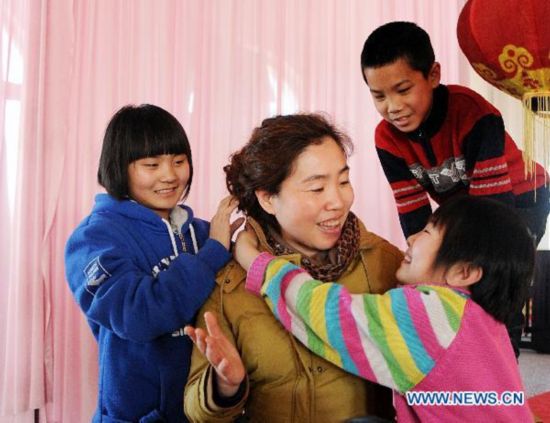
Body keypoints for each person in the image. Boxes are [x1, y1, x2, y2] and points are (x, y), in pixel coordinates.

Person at [233, 195, 535, 422]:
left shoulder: (431, 314)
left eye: (428, 233)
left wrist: (253, 259)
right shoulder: (481, 318)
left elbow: (327, 313)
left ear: (463, 273)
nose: (411, 238)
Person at [183, 113, 403, 422]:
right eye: (316, 189)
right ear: (268, 199)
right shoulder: (229, 287)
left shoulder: (384, 262)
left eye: (343, 181)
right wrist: (224, 386)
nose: (338, 201)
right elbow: (195, 409)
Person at [361, 21, 550, 356]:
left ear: (433, 75)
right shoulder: (386, 138)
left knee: (495, 280)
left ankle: (503, 368)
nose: (392, 107)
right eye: (379, 96)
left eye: (403, 90)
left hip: (520, 200)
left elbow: (493, 210)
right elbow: (413, 211)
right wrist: (424, 264)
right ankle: (467, 358)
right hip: (467, 210)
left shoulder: (475, 115)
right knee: (452, 276)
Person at [65, 104, 240, 423]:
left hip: (206, 411)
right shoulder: (94, 239)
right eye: (151, 164)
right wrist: (214, 252)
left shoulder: (202, 232)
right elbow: (138, 314)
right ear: (119, 167)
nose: (170, 175)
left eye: (178, 161)